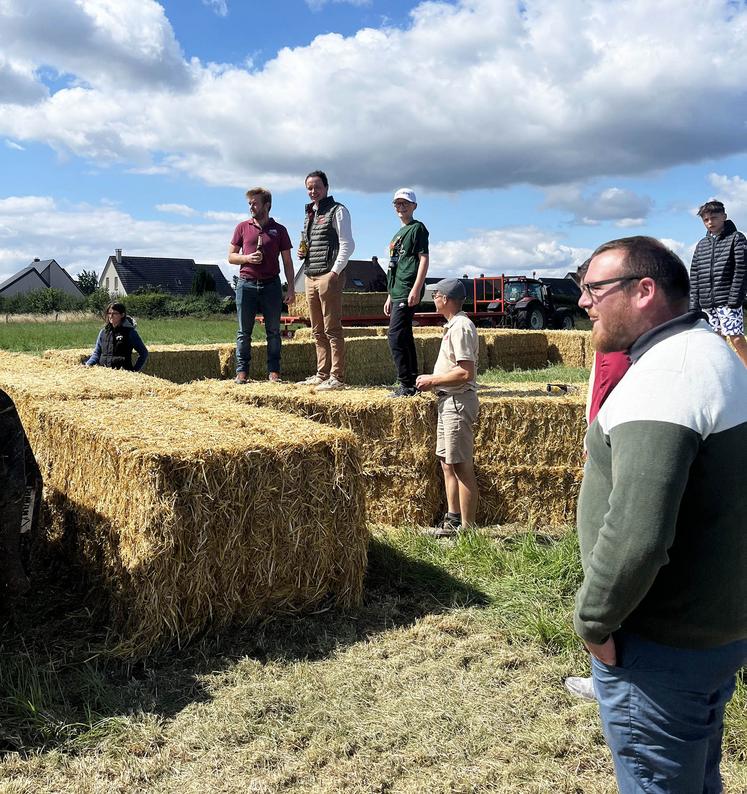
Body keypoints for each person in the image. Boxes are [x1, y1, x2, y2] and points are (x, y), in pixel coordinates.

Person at [575, 235, 747, 793]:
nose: (583, 302)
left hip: (659, 644)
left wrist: (595, 620)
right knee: (695, 777)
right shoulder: (711, 352)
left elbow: (637, 536)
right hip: (713, 629)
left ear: (644, 290)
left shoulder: (667, 378)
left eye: (594, 289)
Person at [415, 278, 479, 537]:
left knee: (461, 465)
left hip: (457, 401)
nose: (434, 299)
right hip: (448, 401)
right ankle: (452, 521)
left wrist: (432, 380)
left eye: (437, 295)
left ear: (447, 298)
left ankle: (467, 530)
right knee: (447, 462)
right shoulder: (453, 326)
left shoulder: (461, 326)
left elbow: (466, 372)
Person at [229, 187, 294, 383]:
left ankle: (274, 372)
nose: (251, 206)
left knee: (274, 331)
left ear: (267, 205)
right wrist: (247, 258)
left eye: (255, 203)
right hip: (245, 284)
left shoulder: (280, 230)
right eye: (249, 203)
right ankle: (242, 372)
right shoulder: (242, 227)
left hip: (271, 285)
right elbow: (231, 257)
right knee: (243, 332)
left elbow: (288, 262)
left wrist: (291, 288)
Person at [296, 170, 355, 391]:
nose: (313, 191)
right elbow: (317, 243)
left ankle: (337, 377)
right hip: (310, 273)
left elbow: (347, 244)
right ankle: (322, 374)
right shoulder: (310, 212)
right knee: (317, 328)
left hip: (329, 274)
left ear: (326, 187)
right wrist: (305, 254)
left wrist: (335, 272)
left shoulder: (338, 210)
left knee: (332, 328)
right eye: (309, 188)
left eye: (316, 187)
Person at [689, 199, 747, 368]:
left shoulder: (736, 238)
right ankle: (725, 372)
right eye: (705, 220)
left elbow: (742, 269)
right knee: (716, 341)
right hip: (707, 303)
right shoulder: (701, 245)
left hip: (729, 300)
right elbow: (695, 275)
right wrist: (694, 305)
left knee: (736, 338)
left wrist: (735, 298)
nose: (710, 222)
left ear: (724, 216)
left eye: (713, 218)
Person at [384, 188, 429, 398]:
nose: (401, 207)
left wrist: (417, 288)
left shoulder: (417, 229)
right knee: (404, 336)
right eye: (397, 204)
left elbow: (423, 258)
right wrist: (390, 295)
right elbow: (394, 266)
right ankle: (412, 382)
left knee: (395, 336)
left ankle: (406, 384)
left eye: (405, 203)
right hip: (398, 289)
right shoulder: (397, 234)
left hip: (408, 287)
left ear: (414, 206)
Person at [85, 302, 148, 371]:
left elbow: (143, 353)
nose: (111, 316)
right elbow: (97, 353)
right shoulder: (103, 332)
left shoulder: (130, 333)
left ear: (122, 315)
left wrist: (135, 371)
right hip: (103, 374)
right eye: (109, 313)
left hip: (122, 375)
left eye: (114, 313)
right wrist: (88, 365)